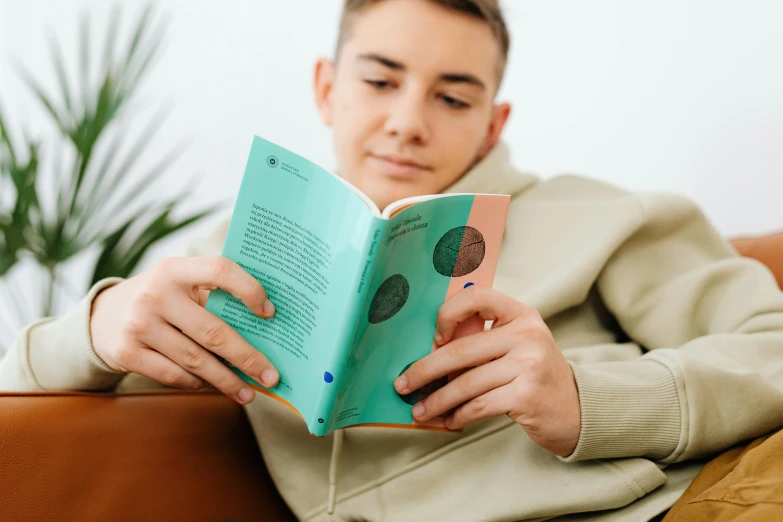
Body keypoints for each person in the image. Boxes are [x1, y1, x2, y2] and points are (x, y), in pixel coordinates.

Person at [3, 0, 783, 520]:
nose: (407, 122)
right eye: (380, 80)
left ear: (490, 121)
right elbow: (22, 398)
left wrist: (587, 401)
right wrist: (101, 323)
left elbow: (772, 344)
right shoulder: (224, 264)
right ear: (326, 88)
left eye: (452, 97)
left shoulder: (604, 214)